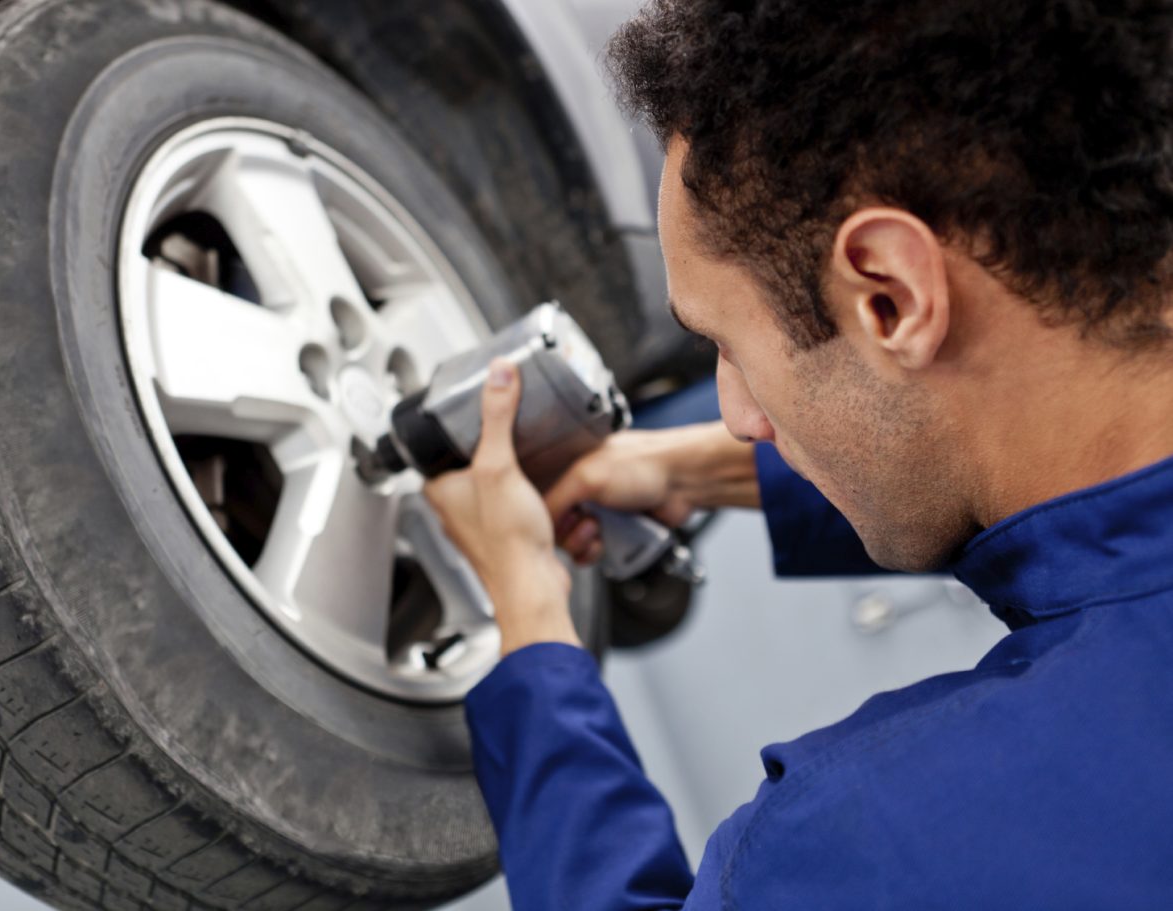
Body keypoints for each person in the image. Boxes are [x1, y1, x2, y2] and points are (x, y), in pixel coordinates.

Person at [421, 0, 1173, 908]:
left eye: (727, 345)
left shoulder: (879, 844)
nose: (737, 414)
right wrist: (686, 468)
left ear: (889, 296)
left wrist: (532, 620)